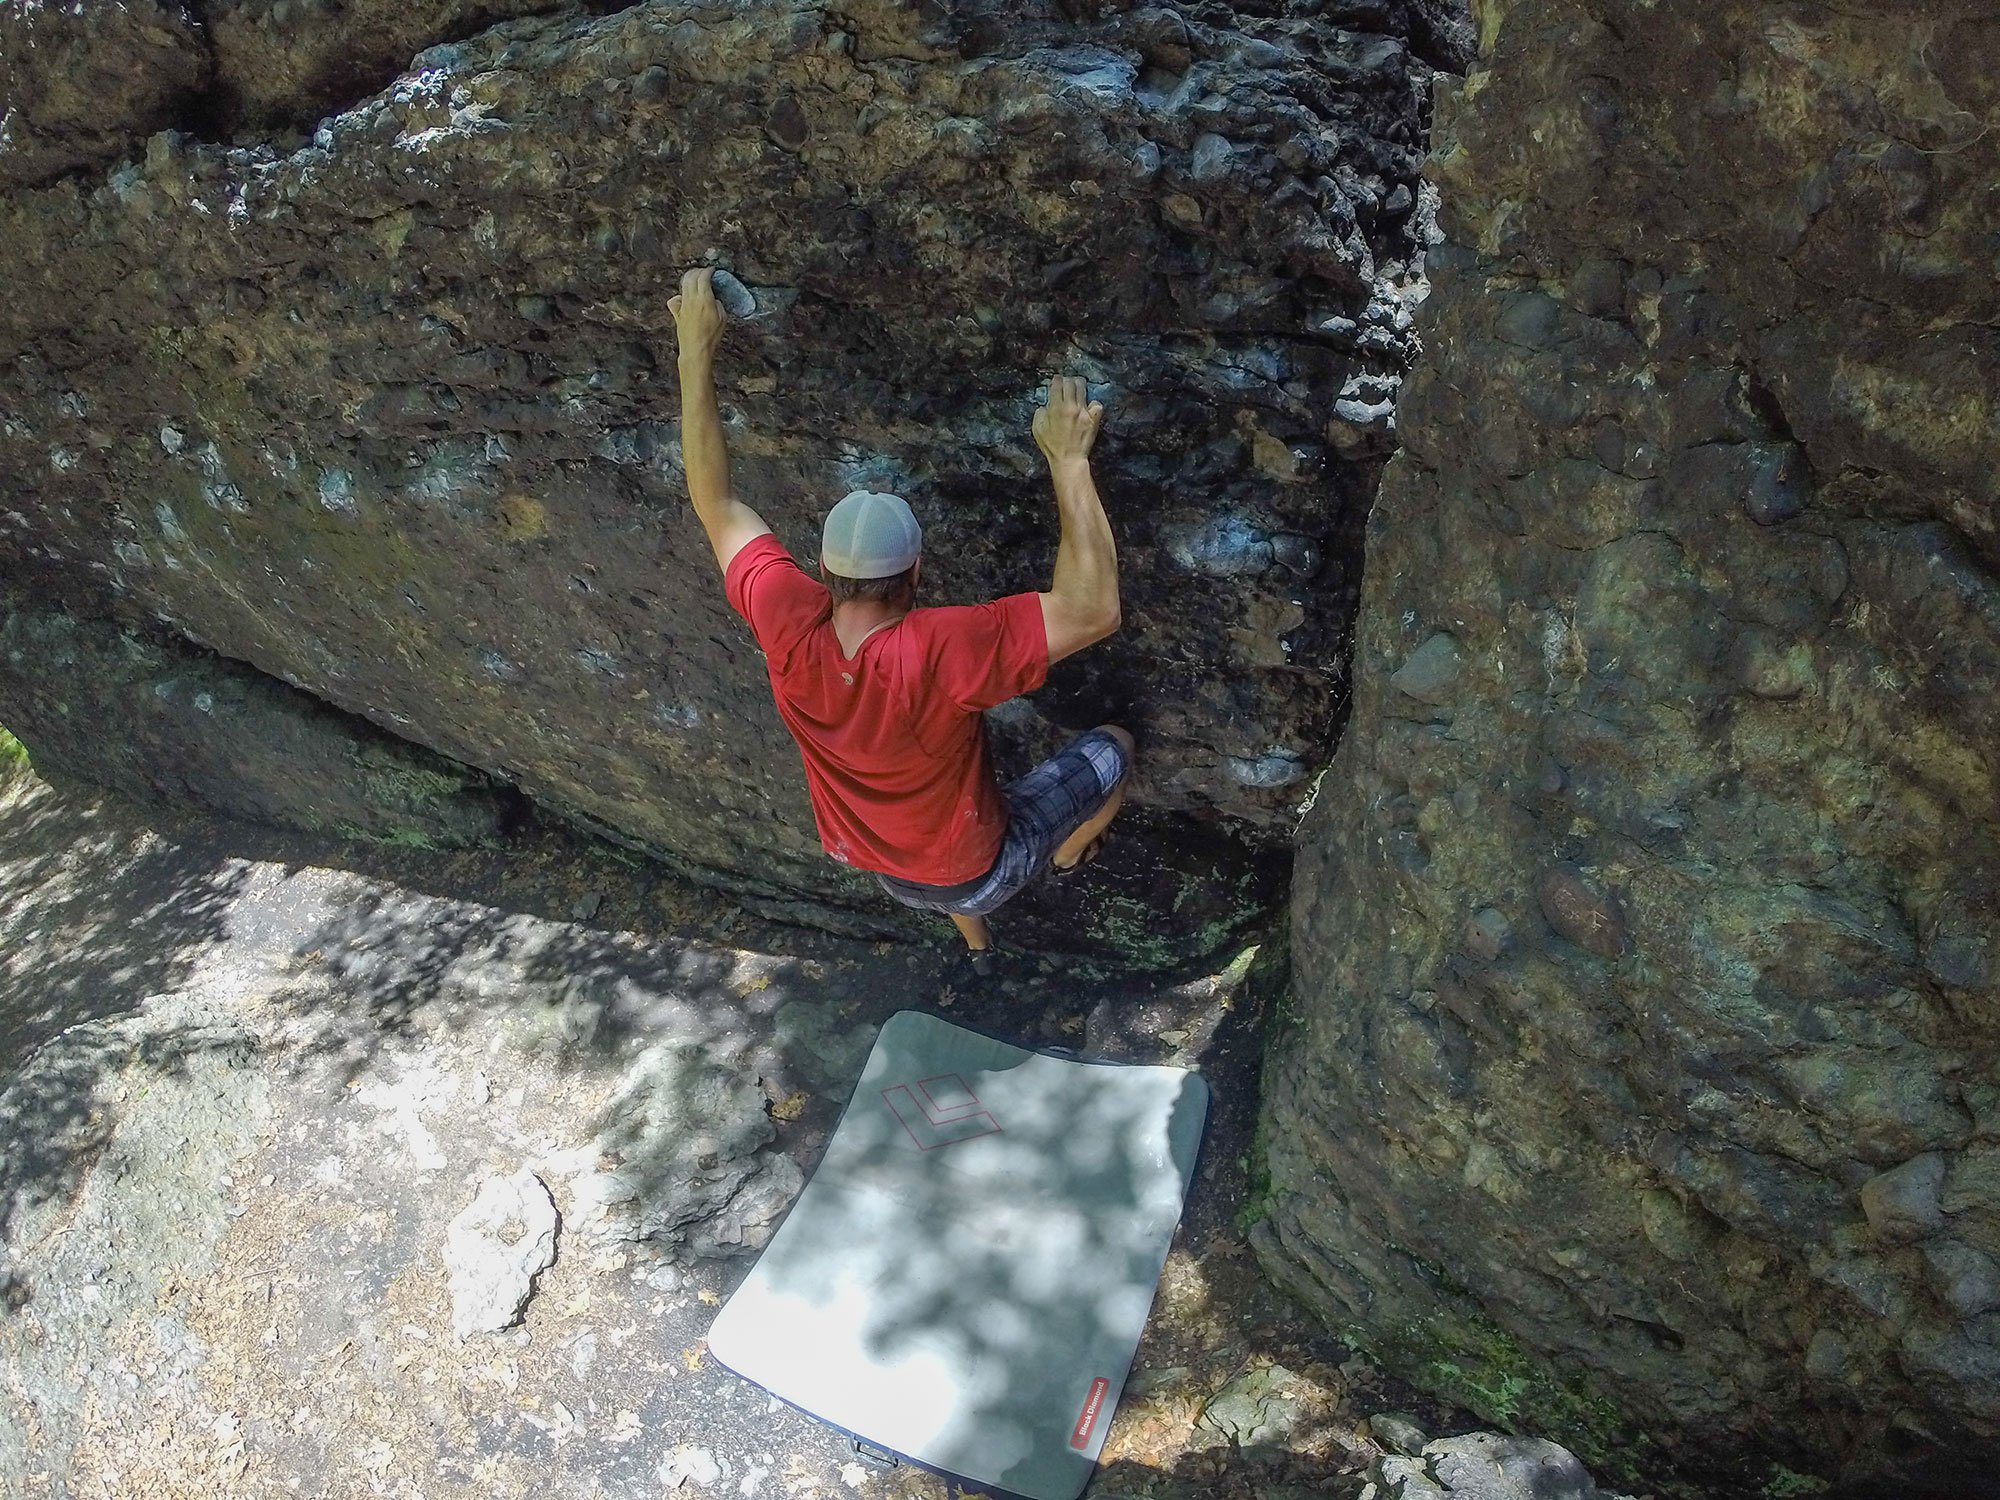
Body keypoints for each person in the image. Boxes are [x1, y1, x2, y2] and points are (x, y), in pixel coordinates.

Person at [667, 266, 1133, 970]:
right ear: (915, 573)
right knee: (1116, 747)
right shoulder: (937, 649)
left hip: (880, 864)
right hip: (977, 867)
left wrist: (694, 351)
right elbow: (1093, 609)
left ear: (822, 573)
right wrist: (1068, 462)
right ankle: (1068, 853)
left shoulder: (786, 619)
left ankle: (976, 948)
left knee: (937, 867)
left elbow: (717, 504)